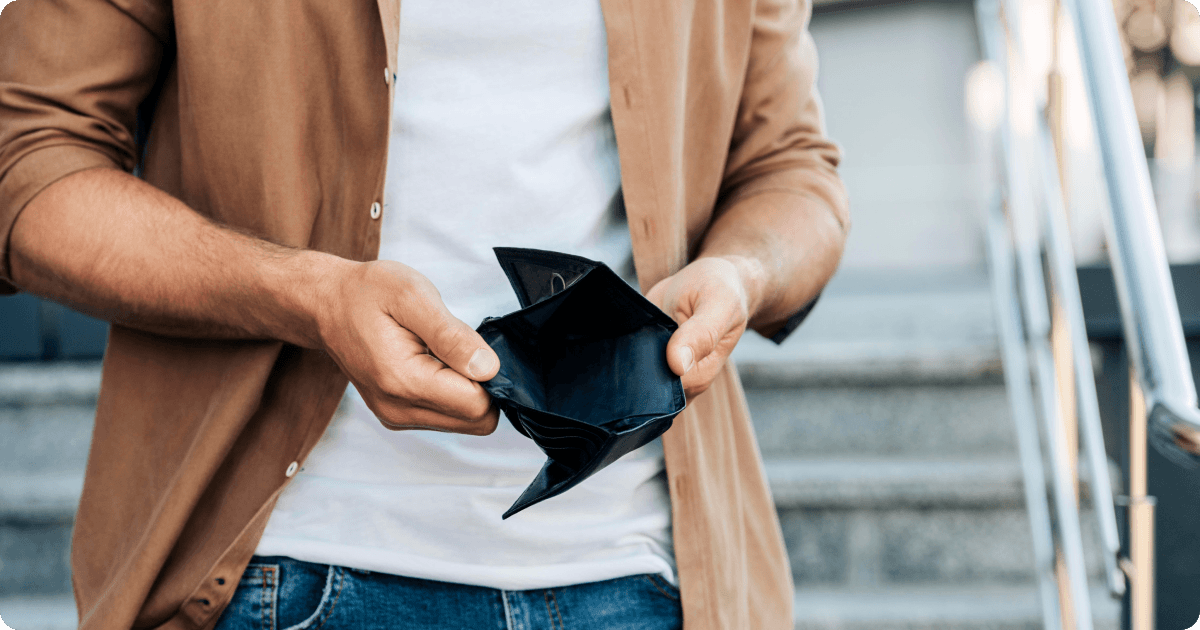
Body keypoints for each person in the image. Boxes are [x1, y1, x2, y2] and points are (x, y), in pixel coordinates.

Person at [0, 0, 848, 627]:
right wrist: (310, 297)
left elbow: (792, 168)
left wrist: (741, 272)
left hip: (644, 574)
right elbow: (27, 159)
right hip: (288, 571)